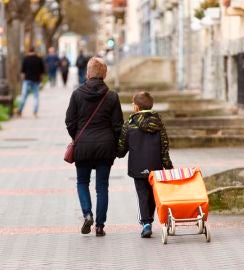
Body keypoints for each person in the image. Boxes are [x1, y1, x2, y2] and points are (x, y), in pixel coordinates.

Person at [65, 57, 123, 236]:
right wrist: (114, 144)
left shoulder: (77, 94)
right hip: (105, 147)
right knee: (102, 187)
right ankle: (99, 226)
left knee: (82, 182)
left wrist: (77, 136)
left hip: (83, 147)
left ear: (88, 73)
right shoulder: (112, 96)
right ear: (104, 75)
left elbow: (69, 121)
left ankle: (87, 213)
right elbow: (118, 125)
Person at [117, 91, 173, 238]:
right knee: (153, 194)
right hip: (155, 166)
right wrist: (168, 166)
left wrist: (118, 153)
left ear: (136, 107)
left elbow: (122, 146)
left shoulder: (129, 123)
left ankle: (146, 223)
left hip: (137, 166)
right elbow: (164, 146)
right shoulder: (158, 123)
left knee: (142, 194)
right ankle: (150, 219)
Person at [17, 47, 45, 117]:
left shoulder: (26, 59)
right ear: (34, 51)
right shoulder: (39, 59)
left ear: (28, 51)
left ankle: (20, 110)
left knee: (24, 96)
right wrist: (41, 81)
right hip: (36, 80)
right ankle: (35, 111)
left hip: (27, 80)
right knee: (36, 96)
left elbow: (22, 72)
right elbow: (42, 72)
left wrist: (22, 79)